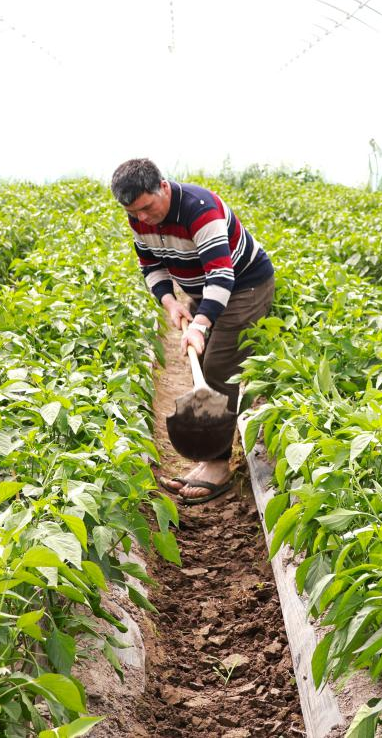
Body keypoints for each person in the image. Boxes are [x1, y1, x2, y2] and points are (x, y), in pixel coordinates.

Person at [111, 158, 274, 504]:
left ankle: (218, 464)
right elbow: (150, 265)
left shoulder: (200, 210)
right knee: (203, 362)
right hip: (204, 290)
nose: (142, 218)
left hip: (245, 287)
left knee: (218, 367)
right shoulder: (139, 216)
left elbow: (222, 275)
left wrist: (200, 324)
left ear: (163, 187)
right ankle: (208, 457)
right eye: (133, 212)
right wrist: (171, 303)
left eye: (147, 208)